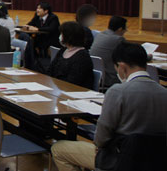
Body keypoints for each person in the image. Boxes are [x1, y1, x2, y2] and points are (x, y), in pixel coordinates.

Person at [51, 42, 167, 171]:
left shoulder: (118, 91)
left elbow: (102, 136)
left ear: (122, 67)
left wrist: (99, 144)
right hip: (157, 160)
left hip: (118, 159)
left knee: (59, 149)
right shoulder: (164, 92)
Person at [48, 21, 94, 89]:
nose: (60, 36)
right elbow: (50, 70)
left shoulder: (82, 56)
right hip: (60, 88)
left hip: (76, 92)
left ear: (69, 37)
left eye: (62, 34)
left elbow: (73, 82)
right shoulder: (63, 50)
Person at [89, 16, 128, 87]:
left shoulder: (100, 35)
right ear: (120, 29)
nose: (126, 30)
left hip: (96, 76)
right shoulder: (118, 39)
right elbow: (130, 56)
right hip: (110, 78)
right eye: (125, 28)